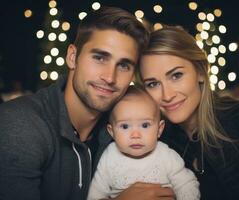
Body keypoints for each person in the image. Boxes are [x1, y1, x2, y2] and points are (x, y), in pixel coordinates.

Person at [0, 7, 151, 200]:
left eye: (123, 65)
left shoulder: (127, 128)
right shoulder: (18, 124)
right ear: (72, 57)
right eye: (99, 58)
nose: (110, 77)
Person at [139, 26, 239, 200]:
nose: (167, 95)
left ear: (200, 71)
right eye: (152, 84)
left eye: (176, 75)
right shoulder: (154, 143)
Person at [87, 85, 200, 200]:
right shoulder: (109, 157)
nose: (136, 135)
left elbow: (186, 184)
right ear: (112, 132)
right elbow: (94, 195)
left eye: (145, 125)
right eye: (125, 126)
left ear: (159, 129)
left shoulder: (166, 155)